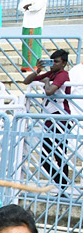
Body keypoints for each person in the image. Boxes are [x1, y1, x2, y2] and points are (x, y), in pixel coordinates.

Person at [22, 48, 73, 187]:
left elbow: (50, 91)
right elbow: (26, 81)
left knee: (59, 155)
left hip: (60, 118)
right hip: (49, 119)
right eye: (51, 61)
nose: (53, 64)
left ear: (64, 63)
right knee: (45, 156)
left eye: (56, 62)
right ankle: (60, 183)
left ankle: (62, 186)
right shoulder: (50, 73)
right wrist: (38, 70)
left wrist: (46, 82)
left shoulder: (63, 75)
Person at [19, 0, 49, 71]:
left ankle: (35, 66)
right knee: (25, 45)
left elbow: (37, 6)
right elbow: (20, 6)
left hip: (35, 23)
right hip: (26, 23)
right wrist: (28, 6)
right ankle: (25, 66)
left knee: (34, 45)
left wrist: (29, 6)